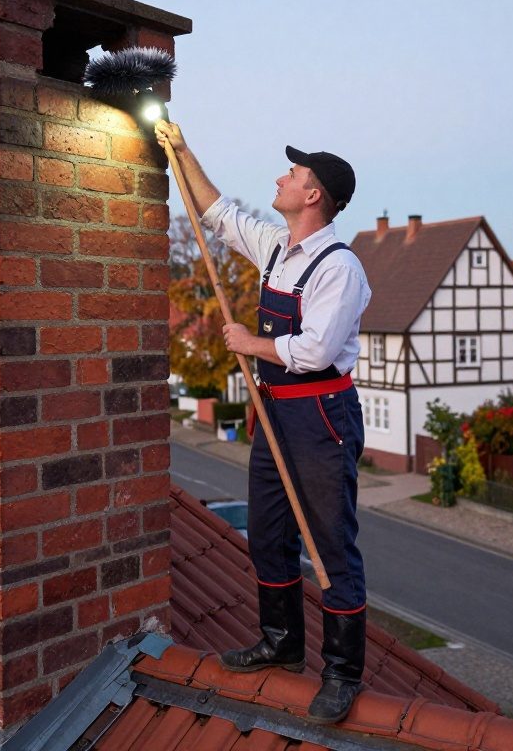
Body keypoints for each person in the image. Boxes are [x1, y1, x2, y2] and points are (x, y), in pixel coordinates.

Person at [155, 120, 372, 725]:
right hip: (275, 408)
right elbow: (217, 211)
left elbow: (317, 351)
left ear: (314, 196)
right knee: (269, 533)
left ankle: (341, 673)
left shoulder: (338, 268)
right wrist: (182, 149)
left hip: (321, 413)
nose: (281, 176)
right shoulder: (277, 248)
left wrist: (251, 343)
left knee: (330, 542)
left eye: (294, 173)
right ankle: (280, 642)